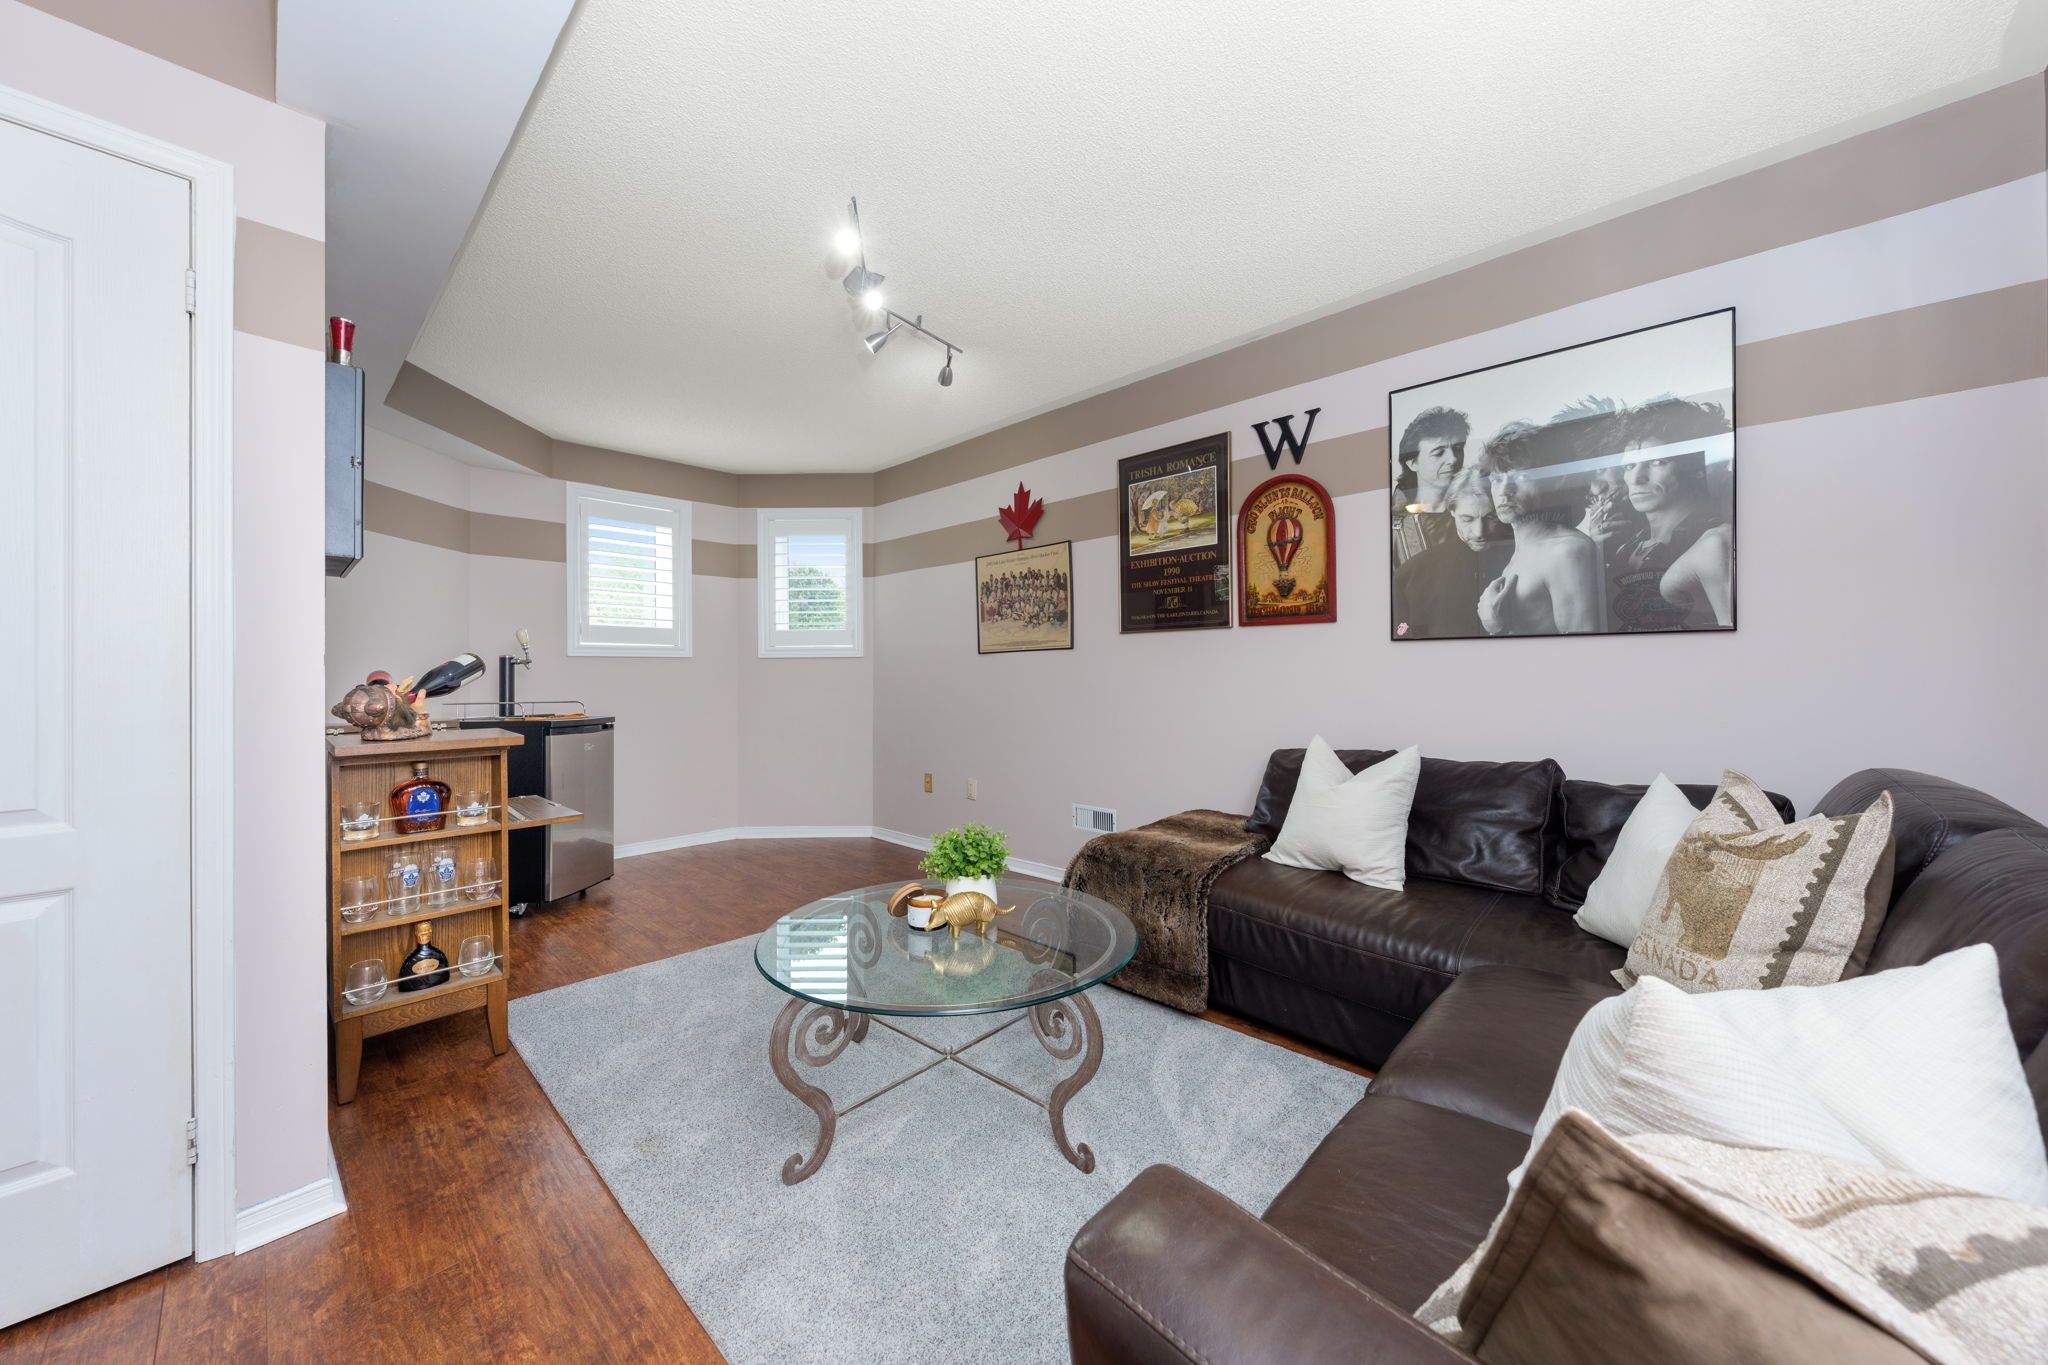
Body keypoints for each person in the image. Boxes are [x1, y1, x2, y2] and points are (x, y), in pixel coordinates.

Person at [1605, 397, 1734, 630]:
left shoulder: (1714, 541)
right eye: (1629, 466)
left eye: (1657, 462)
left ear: (1695, 468)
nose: (1636, 478)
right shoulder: (1625, 548)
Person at [1475, 421, 1604, 635]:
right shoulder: (1523, 551)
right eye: (1497, 479)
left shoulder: (1566, 550)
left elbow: (1583, 649)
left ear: (1555, 481)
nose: (1505, 491)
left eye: (1521, 477)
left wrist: (1495, 627)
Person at [1393, 468, 1510, 637]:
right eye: (1467, 519)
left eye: (1490, 517)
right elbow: (1400, 633)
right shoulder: (1410, 575)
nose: (1479, 532)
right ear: (1452, 512)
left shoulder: (1523, 558)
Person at [1391, 406, 1469, 565]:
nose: (1453, 459)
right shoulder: (1393, 524)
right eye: (1438, 453)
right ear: (1413, 463)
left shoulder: (1479, 511)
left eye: (1457, 449)